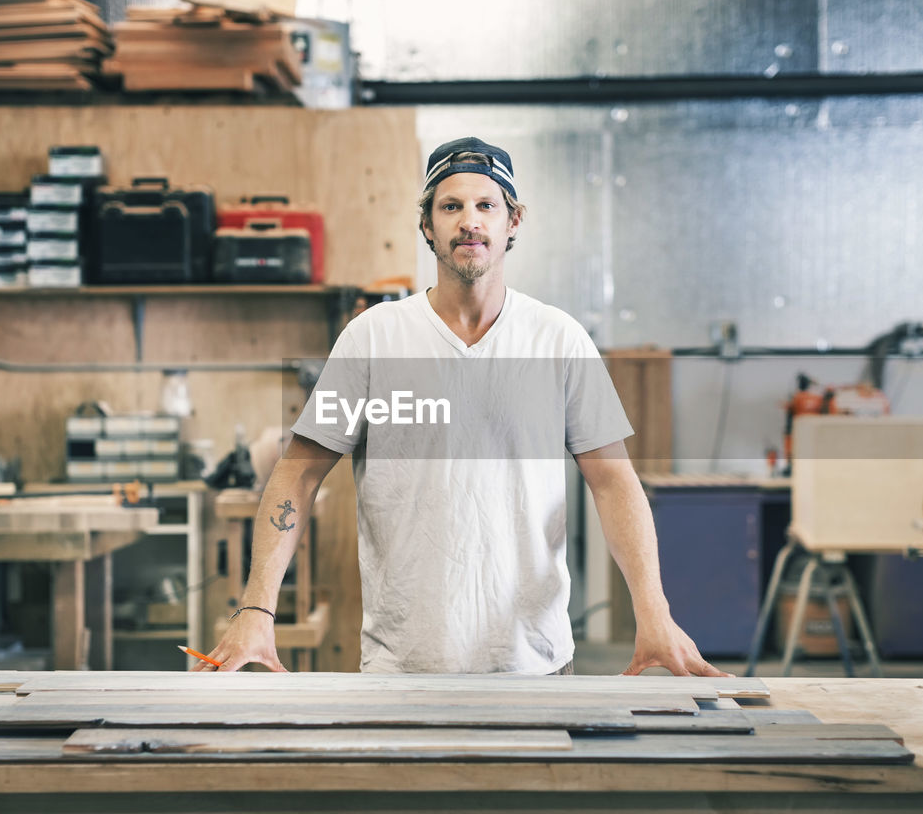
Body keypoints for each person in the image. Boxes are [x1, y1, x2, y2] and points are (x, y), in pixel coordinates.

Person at [198, 137, 728, 678]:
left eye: (486, 206)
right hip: (402, 668)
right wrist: (257, 609)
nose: (468, 221)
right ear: (426, 225)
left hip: (535, 665)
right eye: (450, 206)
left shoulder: (558, 339)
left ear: (513, 220)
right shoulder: (372, 339)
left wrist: (654, 613)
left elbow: (614, 483)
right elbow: (298, 474)